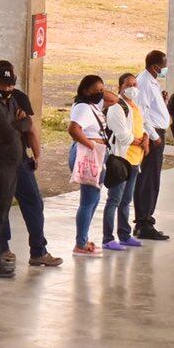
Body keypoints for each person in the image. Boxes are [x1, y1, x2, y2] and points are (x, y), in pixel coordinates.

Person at [0, 59, 49, 277]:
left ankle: (36, 251)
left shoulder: (12, 101)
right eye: (3, 84)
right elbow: (9, 135)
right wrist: (20, 124)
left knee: (28, 204)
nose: (7, 88)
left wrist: (20, 125)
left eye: (10, 84)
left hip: (15, 162)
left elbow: (27, 125)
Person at [67, 75, 110, 256]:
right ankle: (80, 243)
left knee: (93, 199)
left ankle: (83, 239)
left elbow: (114, 99)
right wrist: (92, 145)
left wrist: (101, 90)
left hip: (96, 153)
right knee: (88, 200)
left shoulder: (93, 106)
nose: (100, 93)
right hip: (89, 154)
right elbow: (73, 128)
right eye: (96, 90)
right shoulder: (83, 107)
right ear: (85, 91)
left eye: (102, 89)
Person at [132, 49, 171, 240]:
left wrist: (163, 102)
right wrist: (154, 136)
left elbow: (151, 108)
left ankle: (144, 220)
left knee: (150, 178)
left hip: (156, 131)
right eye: (164, 66)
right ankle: (144, 222)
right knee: (149, 178)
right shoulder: (145, 82)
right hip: (153, 134)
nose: (165, 69)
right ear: (155, 67)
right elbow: (141, 113)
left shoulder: (152, 81)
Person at [104, 72, 146, 250]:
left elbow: (140, 127)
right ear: (120, 87)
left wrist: (145, 138)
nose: (133, 88)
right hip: (121, 160)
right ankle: (107, 238)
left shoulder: (135, 107)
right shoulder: (116, 108)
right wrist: (141, 141)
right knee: (114, 199)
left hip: (135, 160)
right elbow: (123, 136)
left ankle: (124, 234)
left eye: (135, 84)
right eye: (129, 85)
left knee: (126, 200)